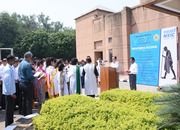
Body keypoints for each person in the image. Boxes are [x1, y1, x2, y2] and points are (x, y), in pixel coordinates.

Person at [18, 51, 36, 116]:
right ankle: (29, 114)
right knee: (29, 99)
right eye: (31, 58)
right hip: (27, 83)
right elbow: (29, 76)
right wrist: (35, 77)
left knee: (23, 99)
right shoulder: (28, 64)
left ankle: (24, 112)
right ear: (28, 57)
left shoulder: (20, 64)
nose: (31, 59)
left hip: (21, 83)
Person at [2, 55, 16, 127]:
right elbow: (7, 82)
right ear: (10, 60)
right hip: (9, 93)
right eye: (13, 60)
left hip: (10, 92)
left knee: (10, 111)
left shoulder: (9, 68)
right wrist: (11, 93)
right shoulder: (7, 68)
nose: (14, 61)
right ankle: (8, 126)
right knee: (9, 111)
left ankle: (10, 125)